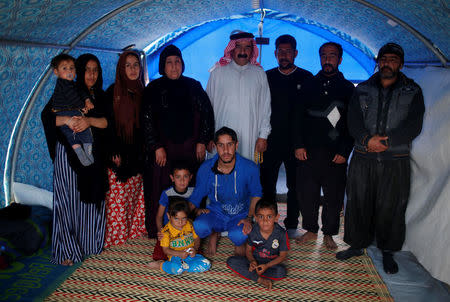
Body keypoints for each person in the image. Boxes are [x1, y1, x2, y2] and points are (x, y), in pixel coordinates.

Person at [336, 43, 425, 274]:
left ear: (401, 64)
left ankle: (388, 252)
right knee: (357, 201)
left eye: (393, 59)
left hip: (395, 159)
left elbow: (414, 125)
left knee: (392, 206)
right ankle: (356, 244)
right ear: (378, 62)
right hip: (364, 157)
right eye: (384, 59)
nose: (387, 63)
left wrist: (385, 142)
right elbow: (353, 120)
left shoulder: (412, 91)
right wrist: (367, 140)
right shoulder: (363, 88)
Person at [41, 53, 109, 265]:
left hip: (92, 156)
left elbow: (107, 123)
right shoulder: (68, 90)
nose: (91, 74)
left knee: (90, 199)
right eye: (87, 70)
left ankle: (89, 243)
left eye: (95, 70)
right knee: (66, 200)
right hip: (68, 156)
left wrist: (88, 121)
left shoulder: (100, 96)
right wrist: (69, 120)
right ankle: (66, 251)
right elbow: (48, 117)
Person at [142, 45, 214, 238]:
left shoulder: (193, 86)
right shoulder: (154, 89)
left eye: (177, 62)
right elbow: (146, 120)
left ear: (182, 64)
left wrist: (202, 140)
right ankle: (161, 229)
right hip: (163, 149)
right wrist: (156, 146)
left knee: (190, 185)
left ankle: (192, 228)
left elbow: (207, 114)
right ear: (162, 66)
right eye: (169, 62)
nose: (174, 66)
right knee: (163, 187)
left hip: (191, 148)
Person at [294, 42, 354, 249]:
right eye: (324, 55)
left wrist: (344, 150)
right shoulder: (308, 84)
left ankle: (329, 233)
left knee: (334, 196)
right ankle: (311, 230)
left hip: (335, 154)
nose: (328, 60)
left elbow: (352, 123)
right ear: (319, 58)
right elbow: (297, 117)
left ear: (340, 59)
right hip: (308, 152)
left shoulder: (347, 89)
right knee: (307, 193)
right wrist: (298, 145)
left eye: (332, 56)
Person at [261, 35, 313, 233]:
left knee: (295, 186)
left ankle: (291, 224)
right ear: (275, 54)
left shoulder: (307, 78)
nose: (284, 55)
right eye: (280, 52)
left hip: (296, 144)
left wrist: (305, 143)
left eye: (288, 51)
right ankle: (268, 223)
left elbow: (311, 114)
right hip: (270, 142)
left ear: (295, 53)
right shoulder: (266, 77)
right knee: (268, 186)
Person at [189, 127, 262, 256]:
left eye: (230, 144)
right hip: (215, 213)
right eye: (221, 145)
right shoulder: (206, 168)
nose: (226, 150)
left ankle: (239, 243)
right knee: (198, 225)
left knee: (239, 236)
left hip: (240, 215)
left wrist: (249, 219)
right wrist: (179, 217)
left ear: (236, 145)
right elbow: (196, 197)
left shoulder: (250, 167)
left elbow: (256, 195)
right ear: (215, 146)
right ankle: (214, 233)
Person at [103, 51, 147, 248]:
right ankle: (117, 237)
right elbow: (107, 125)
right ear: (121, 68)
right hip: (118, 154)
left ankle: (135, 231)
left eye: (135, 65)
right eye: (127, 65)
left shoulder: (143, 91)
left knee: (136, 195)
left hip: (137, 154)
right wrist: (113, 151)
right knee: (118, 199)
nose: (132, 69)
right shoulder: (113, 92)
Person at [206, 31, 271, 161]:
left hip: (250, 137)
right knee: (220, 174)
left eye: (247, 47)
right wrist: (207, 137)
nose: (243, 51)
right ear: (231, 49)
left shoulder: (259, 74)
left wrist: (263, 136)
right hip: (220, 137)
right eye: (238, 46)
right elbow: (207, 108)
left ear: (252, 50)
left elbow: (265, 108)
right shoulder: (217, 73)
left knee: (246, 174)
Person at [227, 198, 289, 289]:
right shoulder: (253, 231)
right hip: (254, 262)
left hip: (270, 264)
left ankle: (249, 275)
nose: (265, 221)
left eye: (269, 216)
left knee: (281, 272)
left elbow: (282, 256)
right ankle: (260, 279)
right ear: (255, 218)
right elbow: (248, 251)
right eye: (261, 217)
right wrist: (252, 261)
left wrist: (267, 266)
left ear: (276, 217)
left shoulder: (282, 234)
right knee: (231, 261)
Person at [50, 54, 95, 166]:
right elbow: (72, 97)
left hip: (72, 111)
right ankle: (83, 152)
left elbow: (81, 92)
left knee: (76, 132)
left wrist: (87, 100)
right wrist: (82, 106)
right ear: (56, 72)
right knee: (78, 132)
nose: (69, 70)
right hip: (65, 111)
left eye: (71, 68)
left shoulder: (73, 84)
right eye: (64, 68)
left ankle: (83, 150)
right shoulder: (63, 84)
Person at [148, 197, 211, 275]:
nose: (180, 222)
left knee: (206, 264)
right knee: (177, 269)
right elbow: (166, 250)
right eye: (176, 219)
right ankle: (161, 265)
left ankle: (185, 268)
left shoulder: (189, 224)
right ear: (168, 216)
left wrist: (194, 249)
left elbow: (197, 238)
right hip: (176, 256)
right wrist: (179, 254)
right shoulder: (166, 232)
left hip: (190, 254)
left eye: (184, 218)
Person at [152, 161, 194, 260]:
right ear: (172, 178)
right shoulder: (167, 193)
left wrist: (200, 211)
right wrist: (160, 231)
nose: (182, 181)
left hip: (185, 225)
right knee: (161, 254)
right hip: (170, 228)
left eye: (185, 177)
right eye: (178, 177)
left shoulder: (193, 191)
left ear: (190, 177)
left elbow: (193, 211)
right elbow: (159, 216)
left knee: (192, 251)